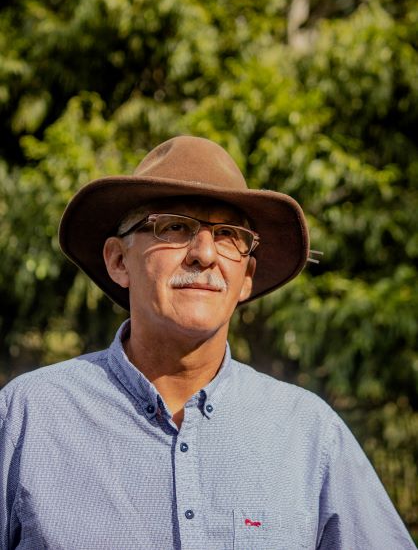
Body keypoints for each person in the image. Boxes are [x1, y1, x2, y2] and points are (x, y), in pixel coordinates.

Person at [0, 136, 415, 550]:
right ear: (119, 261)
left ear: (246, 277)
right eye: (174, 226)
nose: (205, 254)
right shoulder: (28, 418)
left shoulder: (309, 434)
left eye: (229, 234)